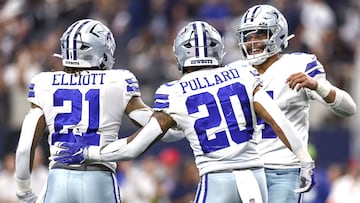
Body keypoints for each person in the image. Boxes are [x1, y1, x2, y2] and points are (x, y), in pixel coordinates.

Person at [55, 21, 316, 203]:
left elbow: (135, 147)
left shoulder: (174, 92)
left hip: (216, 179)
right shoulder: (242, 72)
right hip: (256, 175)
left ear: (180, 55)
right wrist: (304, 159)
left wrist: (89, 153)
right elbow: (277, 118)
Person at [14, 19, 155, 203]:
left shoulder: (44, 83)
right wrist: (172, 120)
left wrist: (24, 191)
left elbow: (25, 147)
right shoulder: (117, 81)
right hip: (98, 178)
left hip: (59, 178)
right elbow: (154, 126)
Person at [230, 4, 357, 203]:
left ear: (277, 34)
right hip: (243, 170)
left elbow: (349, 109)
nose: (253, 42)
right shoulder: (235, 71)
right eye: (248, 36)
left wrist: (317, 86)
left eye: (260, 34)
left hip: (283, 169)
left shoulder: (299, 65)